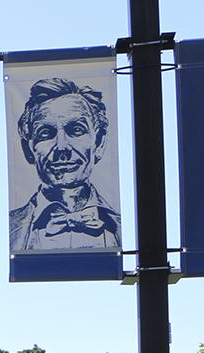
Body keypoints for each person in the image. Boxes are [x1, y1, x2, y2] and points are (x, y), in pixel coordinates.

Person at [8, 77, 120, 253]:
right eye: (45, 133)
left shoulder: (120, 226)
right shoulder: (12, 227)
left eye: (76, 130)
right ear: (28, 148)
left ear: (99, 143)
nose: (61, 147)